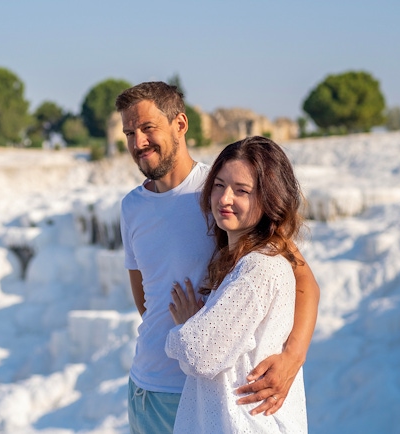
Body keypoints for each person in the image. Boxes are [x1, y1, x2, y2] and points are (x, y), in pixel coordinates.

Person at [116, 82, 319, 434]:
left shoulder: (222, 191)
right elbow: (148, 301)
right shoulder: (131, 206)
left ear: (180, 124)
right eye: (129, 132)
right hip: (143, 390)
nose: (138, 143)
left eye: (148, 128)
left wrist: (292, 358)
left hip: (199, 393)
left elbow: (302, 279)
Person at [165, 136, 308, 433]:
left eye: (241, 190)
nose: (224, 199)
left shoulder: (258, 268)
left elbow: (199, 353)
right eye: (218, 185)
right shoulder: (245, 260)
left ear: (270, 199)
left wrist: (184, 326)